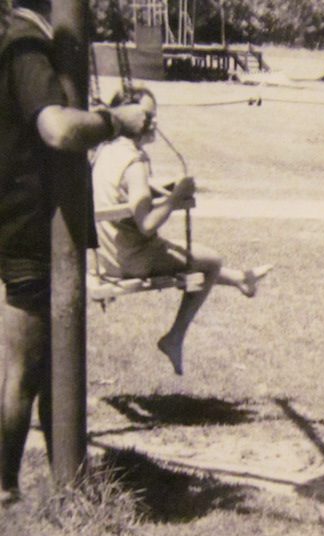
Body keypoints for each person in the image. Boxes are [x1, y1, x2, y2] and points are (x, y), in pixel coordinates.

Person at [0, 0, 151, 504]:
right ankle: (4, 487)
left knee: (40, 366)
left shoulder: (27, 38)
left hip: (35, 221)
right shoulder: (25, 44)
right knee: (25, 366)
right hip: (29, 227)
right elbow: (58, 129)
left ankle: (63, 477)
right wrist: (116, 122)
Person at [91, 86, 272, 377]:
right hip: (134, 260)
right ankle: (174, 338)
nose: (153, 123)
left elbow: (125, 191)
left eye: (154, 116)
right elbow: (147, 224)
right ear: (127, 117)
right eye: (147, 116)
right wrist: (177, 198)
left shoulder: (107, 150)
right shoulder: (135, 162)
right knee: (211, 260)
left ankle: (242, 279)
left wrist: (163, 186)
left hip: (107, 256)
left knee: (196, 258)